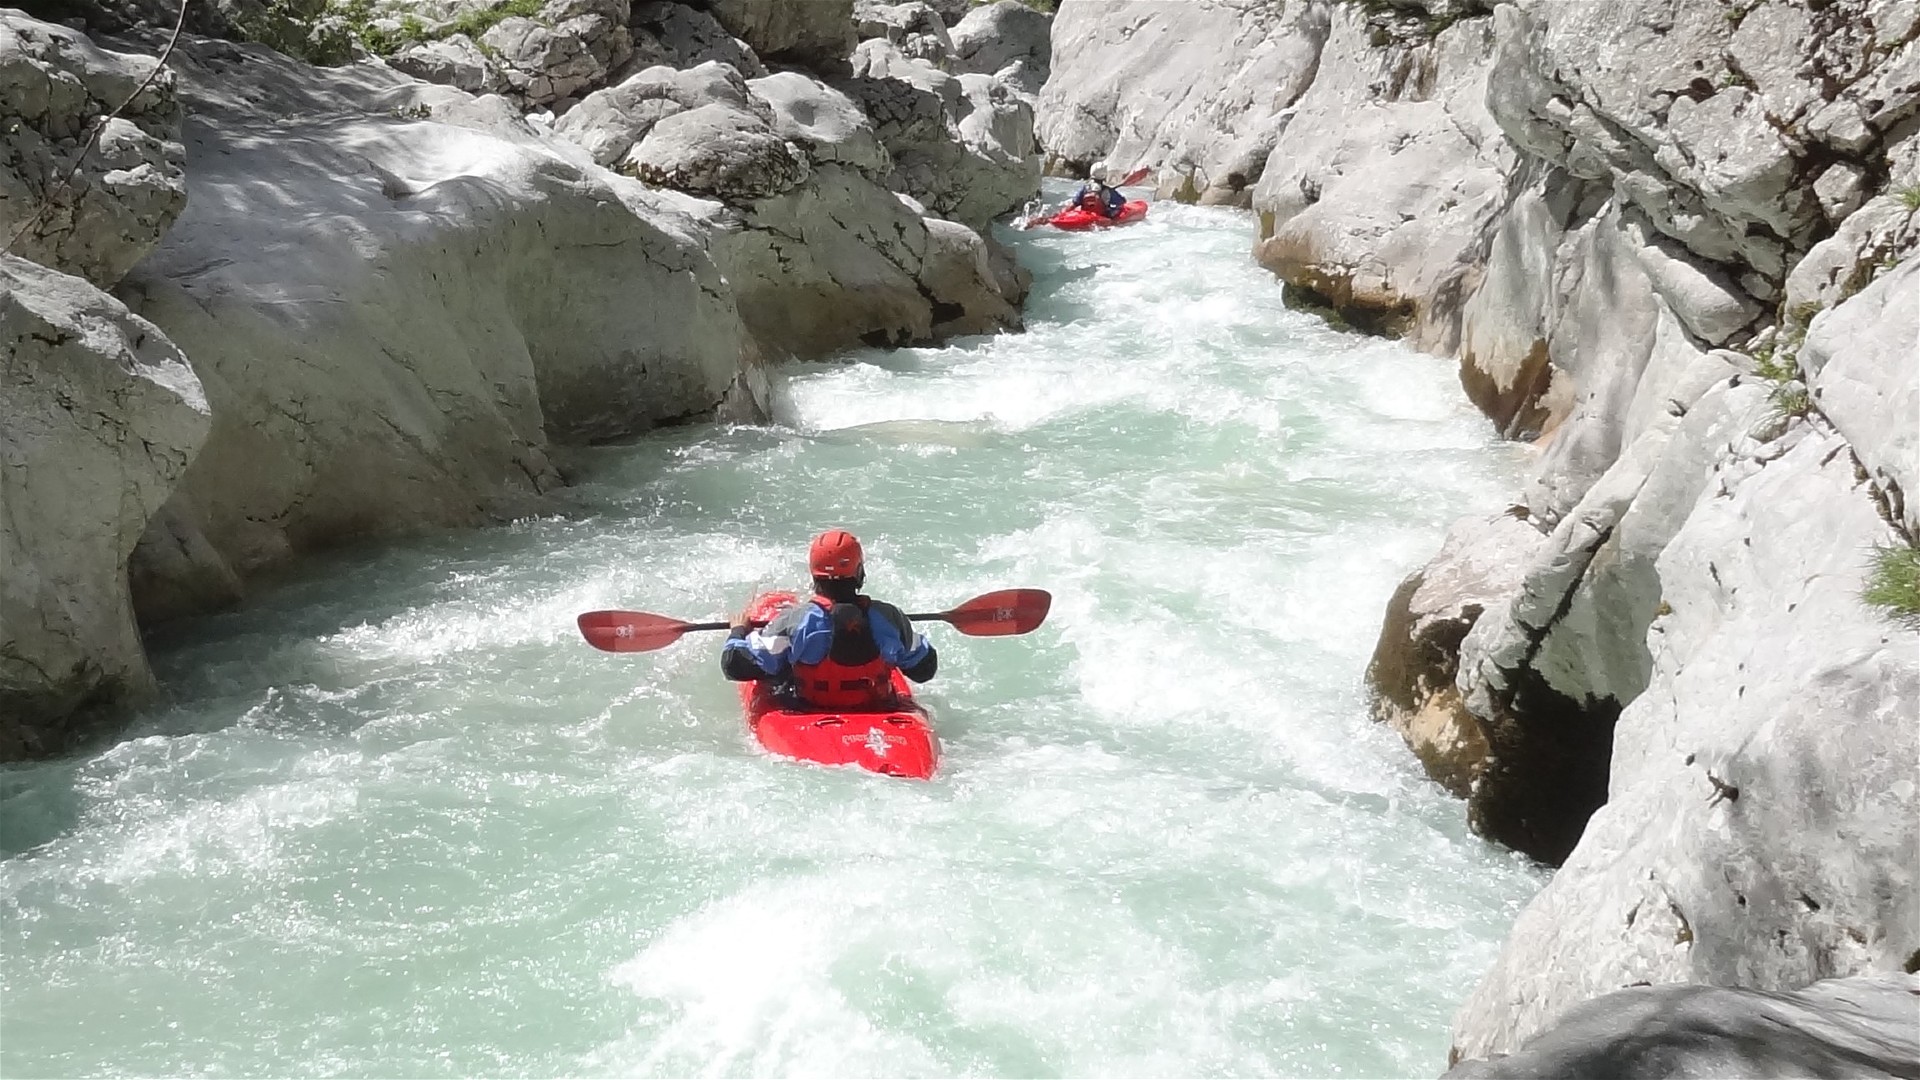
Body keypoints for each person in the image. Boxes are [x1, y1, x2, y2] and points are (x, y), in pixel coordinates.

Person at [719, 530, 937, 709]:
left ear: (814, 576)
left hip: (813, 708)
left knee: (780, 668)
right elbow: (925, 668)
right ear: (859, 572)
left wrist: (738, 631)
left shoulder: (796, 620)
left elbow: (735, 665)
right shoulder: (890, 617)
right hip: (874, 708)